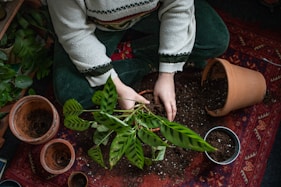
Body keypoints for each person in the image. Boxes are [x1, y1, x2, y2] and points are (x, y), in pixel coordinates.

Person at [46, 0, 229, 121]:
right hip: (97, 25)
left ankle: (129, 53)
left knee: (215, 39)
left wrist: (167, 74)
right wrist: (117, 87)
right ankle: (133, 56)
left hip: (151, 13)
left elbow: (178, 7)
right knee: (71, 93)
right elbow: (74, 34)